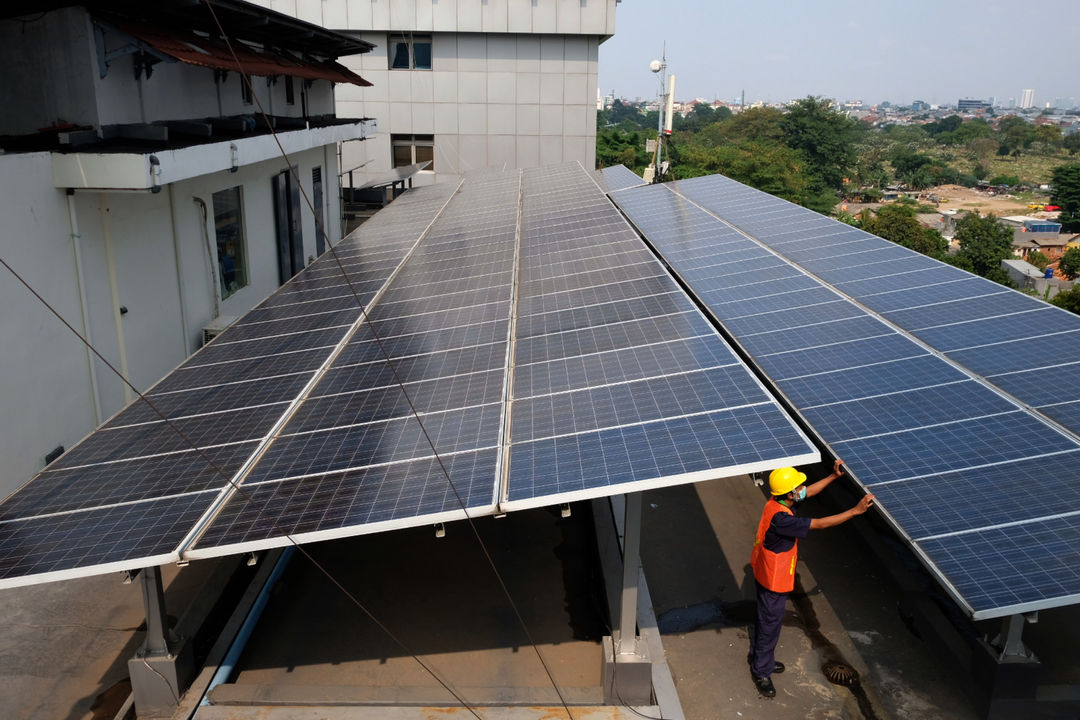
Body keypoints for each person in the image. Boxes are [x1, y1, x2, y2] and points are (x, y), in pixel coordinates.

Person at [748, 459, 875, 698]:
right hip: (772, 580)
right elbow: (821, 523)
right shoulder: (783, 520)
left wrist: (833, 476)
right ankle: (761, 670)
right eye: (797, 487)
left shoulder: (776, 502)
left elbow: (808, 492)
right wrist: (855, 511)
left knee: (767, 621)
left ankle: (761, 658)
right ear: (789, 493)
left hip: (765, 569)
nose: (801, 489)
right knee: (769, 625)